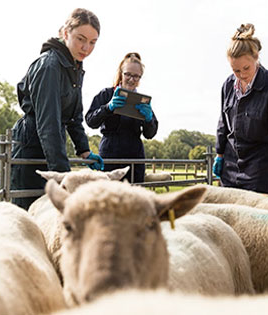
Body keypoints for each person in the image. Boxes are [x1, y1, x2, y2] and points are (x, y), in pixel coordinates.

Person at [10, 8, 104, 210]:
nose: (86, 47)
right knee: (31, 214)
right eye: (81, 39)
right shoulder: (50, 66)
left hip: (51, 144)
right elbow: (48, 124)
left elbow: (74, 115)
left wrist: (84, 150)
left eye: (93, 42)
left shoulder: (74, 67)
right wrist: (63, 176)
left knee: (50, 213)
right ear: (65, 33)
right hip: (33, 146)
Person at [213, 23, 268, 203]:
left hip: (258, 170)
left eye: (246, 68)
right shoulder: (228, 86)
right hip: (230, 167)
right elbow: (223, 122)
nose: (241, 75)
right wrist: (219, 154)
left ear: (256, 58)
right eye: (235, 70)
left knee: (254, 226)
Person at [85, 53, 158, 183]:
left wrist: (149, 120)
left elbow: (150, 134)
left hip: (134, 157)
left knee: (134, 198)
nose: (131, 79)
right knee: (108, 198)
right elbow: (90, 121)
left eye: (136, 76)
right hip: (110, 154)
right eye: (128, 74)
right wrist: (107, 108)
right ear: (121, 73)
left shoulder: (142, 101)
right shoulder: (106, 94)